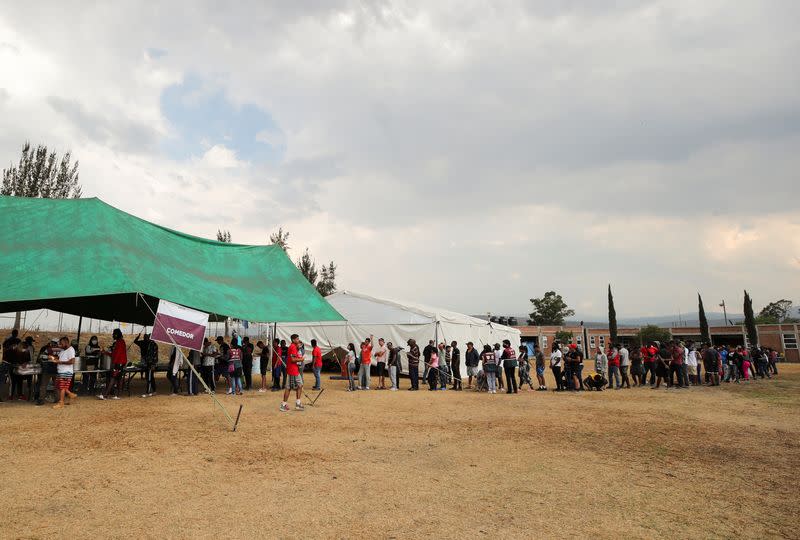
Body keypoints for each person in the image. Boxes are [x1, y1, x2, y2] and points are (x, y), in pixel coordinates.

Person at [49, 336, 77, 409]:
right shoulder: (62, 350)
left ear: (66, 342)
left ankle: (61, 402)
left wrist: (60, 362)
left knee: (62, 387)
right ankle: (71, 395)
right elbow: (58, 358)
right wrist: (53, 358)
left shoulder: (71, 350)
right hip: (61, 371)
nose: (60, 345)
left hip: (66, 372)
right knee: (59, 386)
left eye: (61, 344)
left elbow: (72, 361)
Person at [99, 329, 127, 400]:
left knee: (113, 378)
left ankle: (105, 395)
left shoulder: (120, 342)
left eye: (113, 334)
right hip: (121, 362)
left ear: (116, 334)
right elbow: (114, 354)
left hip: (119, 363)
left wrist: (114, 364)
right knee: (119, 378)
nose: (112, 335)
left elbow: (117, 355)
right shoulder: (120, 342)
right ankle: (118, 395)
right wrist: (105, 352)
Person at [280, 334, 305, 412]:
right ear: (293, 340)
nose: (298, 340)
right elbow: (293, 360)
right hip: (292, 371)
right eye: (297, 339)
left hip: (294, 370)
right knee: (289, 387)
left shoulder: (294, 347)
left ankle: (297, 403)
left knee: (299, 385)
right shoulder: (293, 347)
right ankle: (284, 404)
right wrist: (301, 359)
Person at [134, 333, 158, 398]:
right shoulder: (143, 342)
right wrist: (138, 336)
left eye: (146, 337)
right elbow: (135, 341)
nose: (145, 338)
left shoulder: (153, 344)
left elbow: (155, 355)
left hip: (151, 363)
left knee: (149, 377)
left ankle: (148, 391)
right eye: (144, 337)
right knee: (149, 377)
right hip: (146, 361)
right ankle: (154, 390)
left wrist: (154, 364)